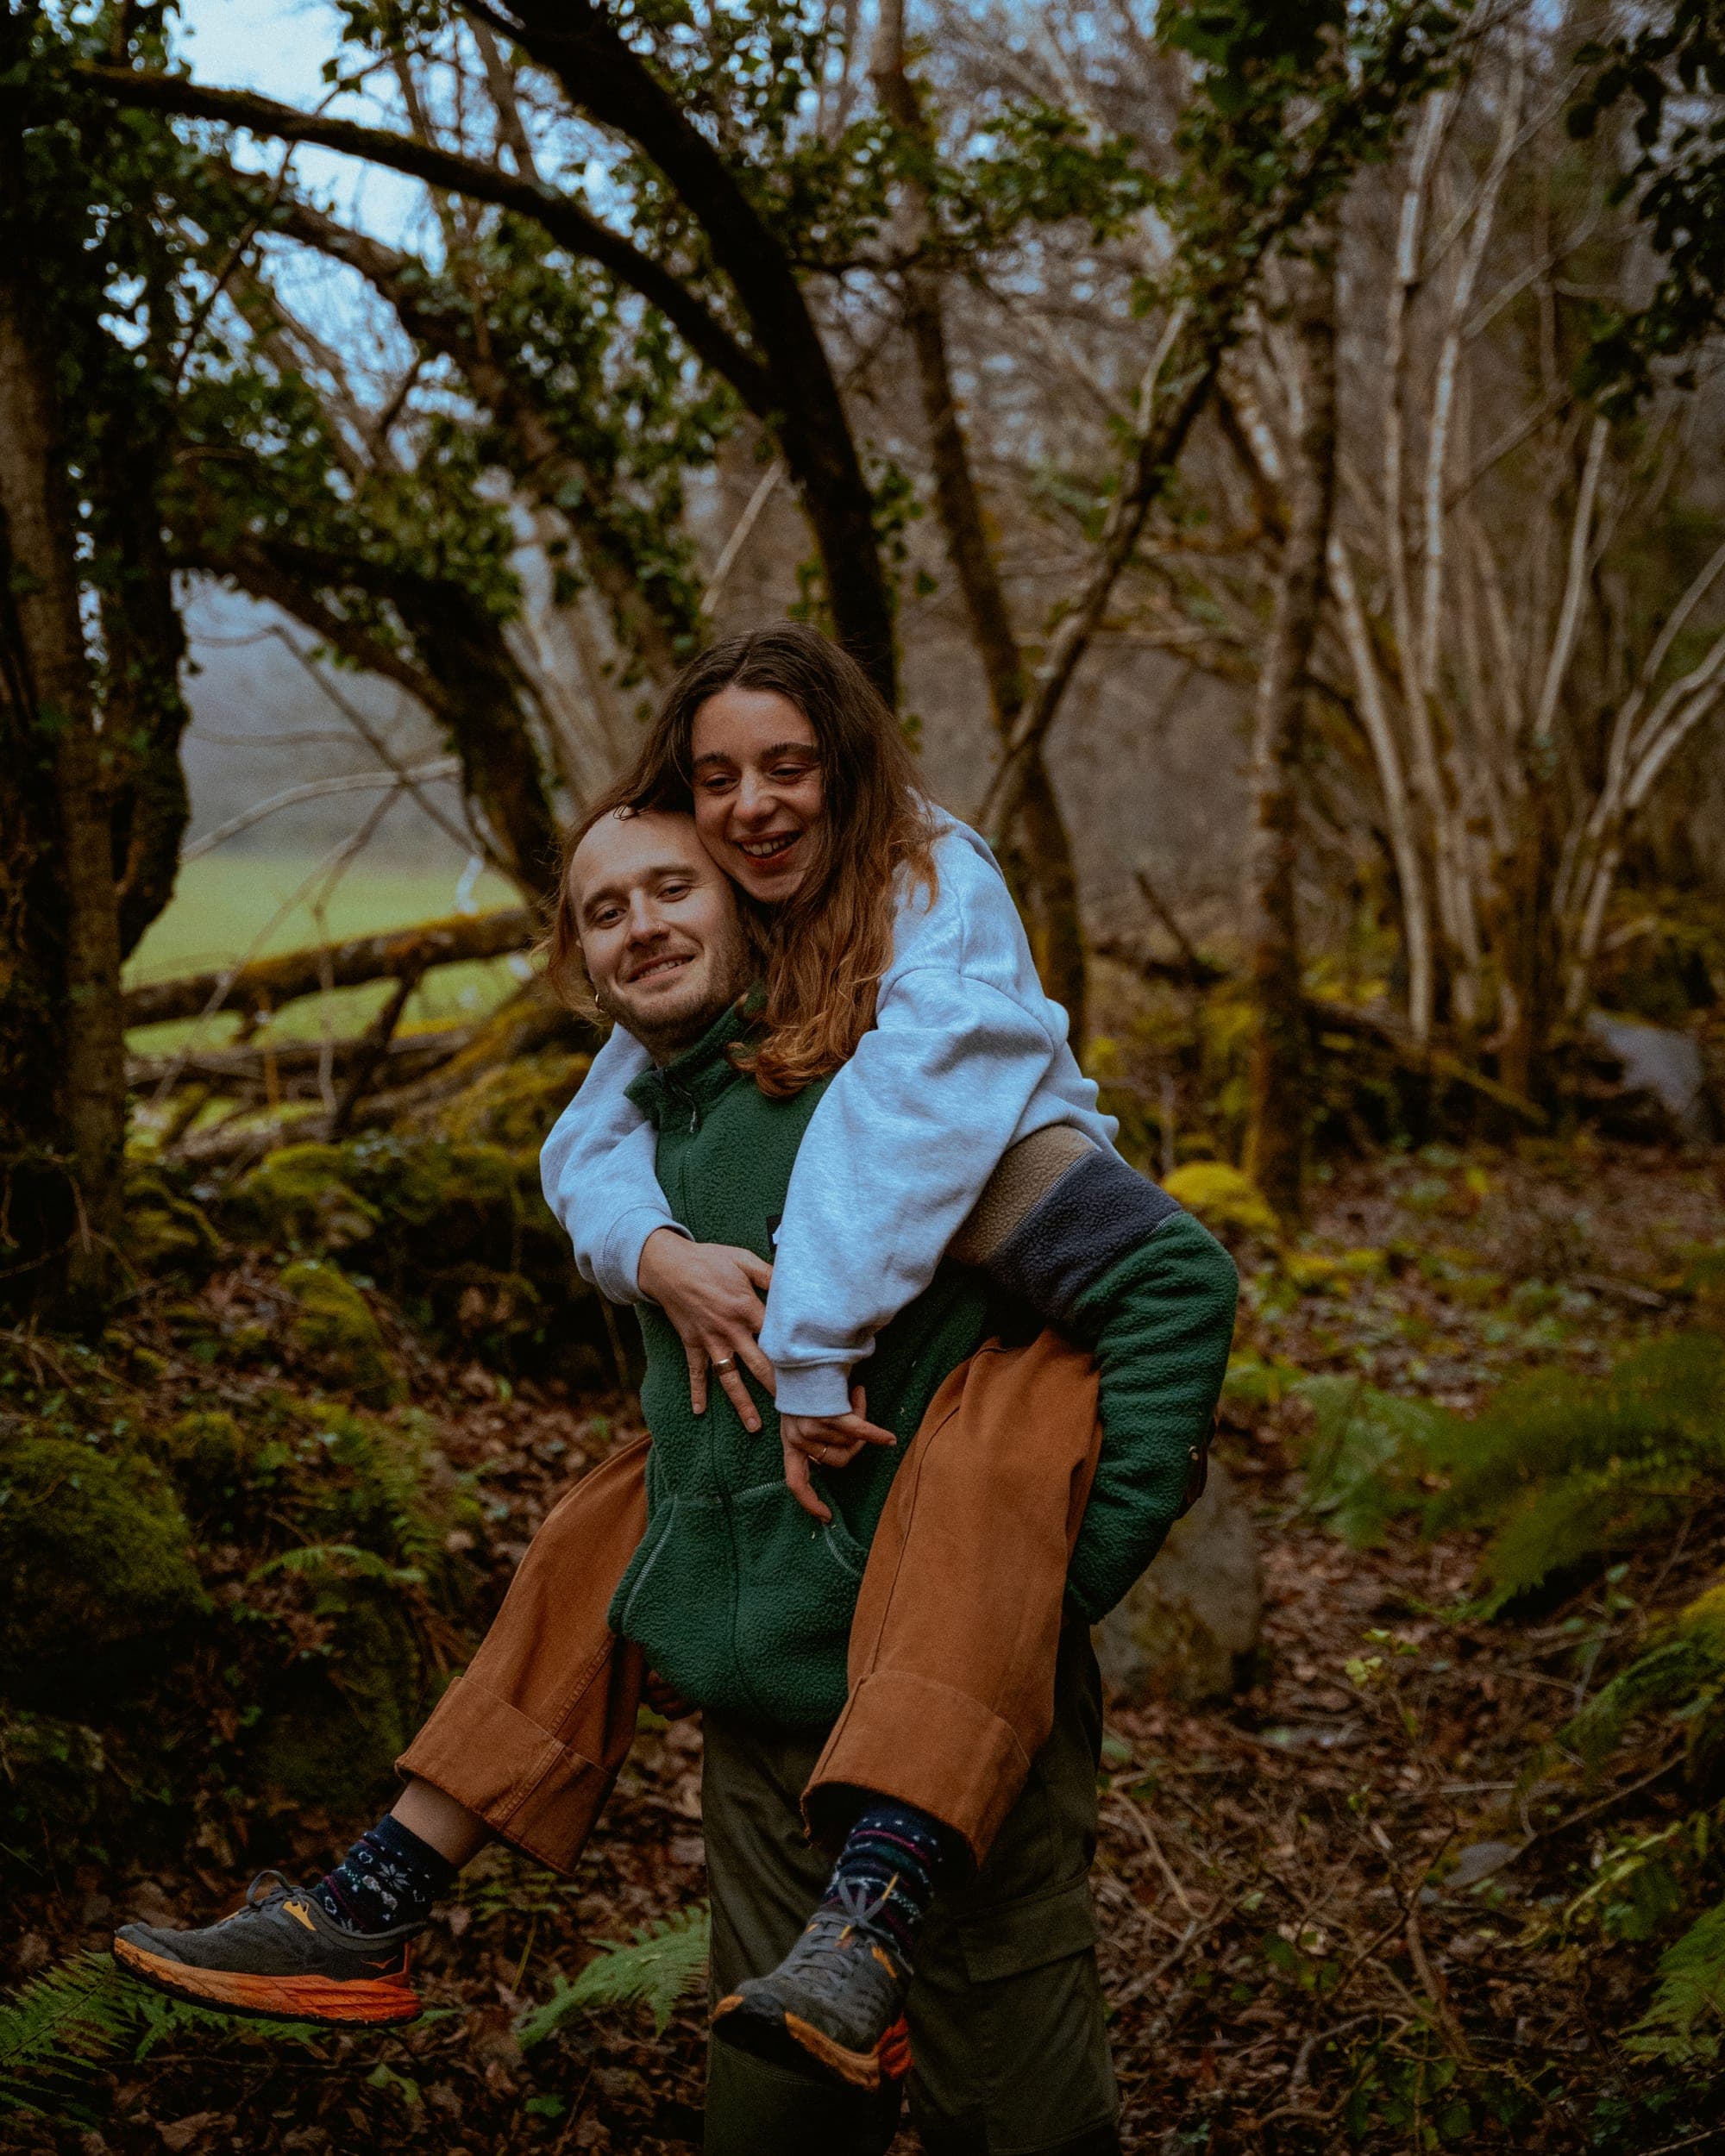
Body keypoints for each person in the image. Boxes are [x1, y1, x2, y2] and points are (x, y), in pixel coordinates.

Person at [116, 636, 1235, 2147]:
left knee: (1022, 2121)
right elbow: (592, 1142)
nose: (656, 913)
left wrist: (1056, 1582)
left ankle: (826, 1923)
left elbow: (1174, 1283)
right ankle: (378, 1896)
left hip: (960, 1697)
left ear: (767, 892)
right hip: (769, 1711)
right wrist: (653, 1254)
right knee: (605, 1526)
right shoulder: (659, 1118)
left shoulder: (932, 1102)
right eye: (615, 903)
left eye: (779, 782)